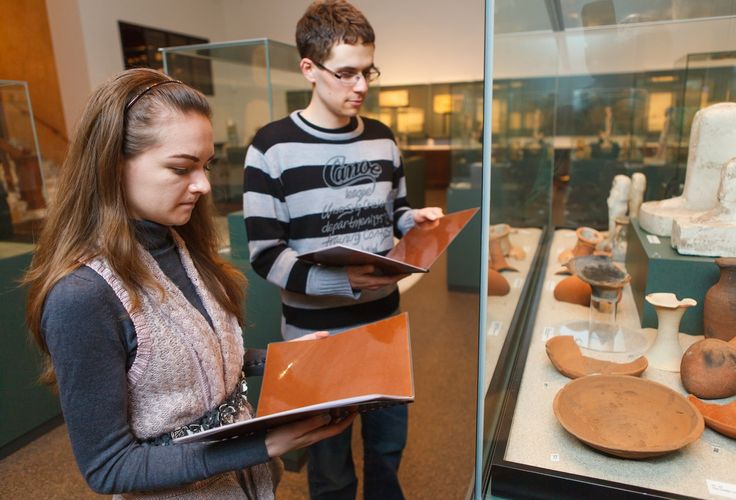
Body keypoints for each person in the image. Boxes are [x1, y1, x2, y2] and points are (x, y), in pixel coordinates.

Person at [23, 67, 354, 499]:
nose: (202, 185)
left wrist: (284, 359)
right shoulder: (81, 297)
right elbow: (107, 467)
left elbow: (198, 358)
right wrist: (262, 444)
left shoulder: (181, 245)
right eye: (181, 168)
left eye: (205, 165)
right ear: (111, 165)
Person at [243, 1, 443, 498]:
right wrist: (344, 281)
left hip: (384, 326)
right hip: (316, 334)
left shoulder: (382, 138)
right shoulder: (271, 148)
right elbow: (266, 254)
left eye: (367, 71)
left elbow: (393, 209)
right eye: (347, 73)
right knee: (329, 464)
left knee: (387, 448)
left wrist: (412, 220)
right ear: (309, 69)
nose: (361, 87)